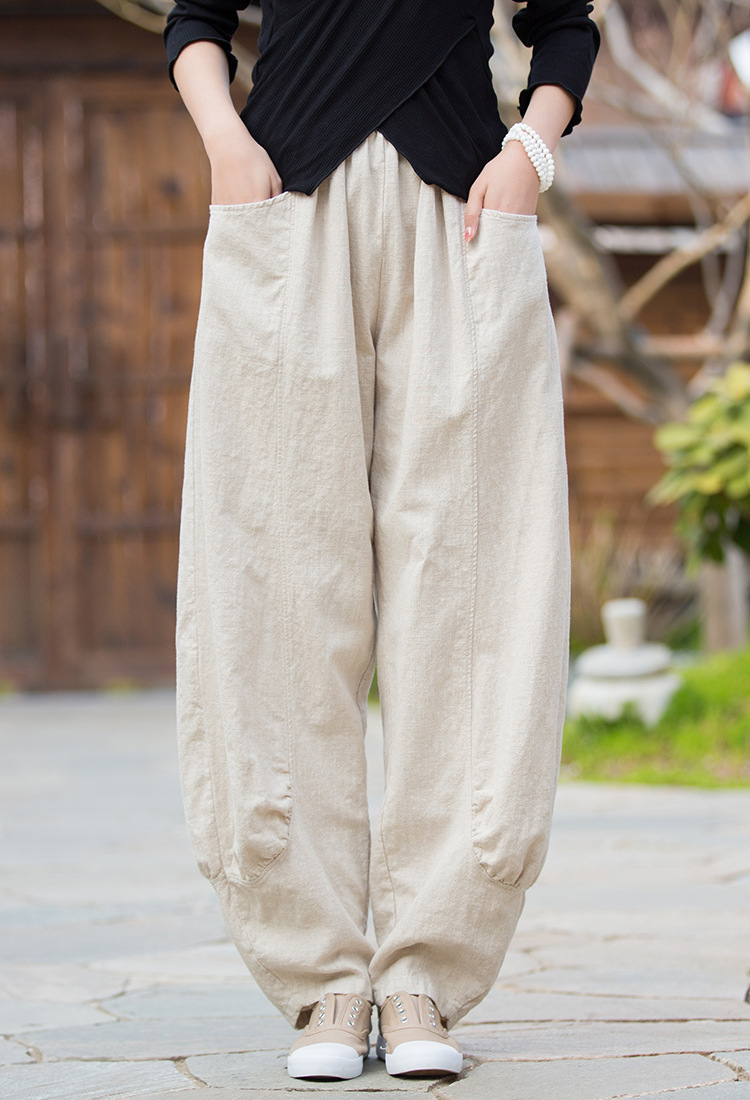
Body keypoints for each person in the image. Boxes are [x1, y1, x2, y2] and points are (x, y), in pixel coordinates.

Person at [164, 0, 599, 1082]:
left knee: (470, 591)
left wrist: (530, 153)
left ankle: (425, 975)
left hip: (462, 216)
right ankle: (322, 976)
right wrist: (226, 143)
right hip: (284, 203)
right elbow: (196, 20)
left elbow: (566, 26)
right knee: (273, 587)